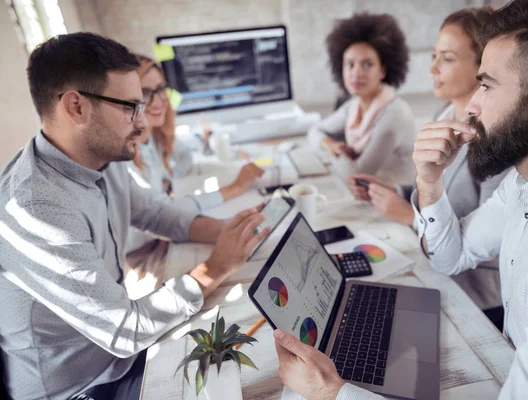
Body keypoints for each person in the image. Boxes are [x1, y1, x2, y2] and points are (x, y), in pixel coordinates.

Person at [273, 0, 528, 398]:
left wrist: (333, 392)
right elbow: (450, 256)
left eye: (489, 85)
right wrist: (430, 184)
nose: (474, 105)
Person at [0, 32, 269, 400]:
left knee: (254, 344)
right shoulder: (37, 209)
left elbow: (157, 213)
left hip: (120, 356)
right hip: (84, 387)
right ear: (76, 107)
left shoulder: (100, 156)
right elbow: (124, 330)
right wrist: (216, 267)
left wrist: (233, 232)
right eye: (130, 107)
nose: (142, 124)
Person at [348, 7, 507, 314]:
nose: (433, 69)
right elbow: (439, 186)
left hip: (475, 294)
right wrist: (395, 190)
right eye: (434, 56)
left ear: (484, 65)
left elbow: (495, 246)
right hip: (436, 267)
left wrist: (410, 216)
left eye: (446, 59)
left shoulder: (499, 141)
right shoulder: (445, 115)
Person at [125, 56, 264, 295]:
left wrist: (200, 141)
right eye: (146, 93)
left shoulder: (152, 138)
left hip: (165, 241)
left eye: (160, 89)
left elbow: (185, 154)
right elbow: (163, 211)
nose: (159, 101)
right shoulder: (125, 157)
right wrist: (235, 188)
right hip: (145, 256)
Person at [307, 13, 417, 185]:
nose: (356, 73)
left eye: (367, 64)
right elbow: (314, 131)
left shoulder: (394, 116)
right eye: (350, 64)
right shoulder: (354, 105)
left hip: (399, 202)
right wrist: (330, 145)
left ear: (383, 70)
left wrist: (329, 156)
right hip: (370, 196)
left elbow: (358, 175)